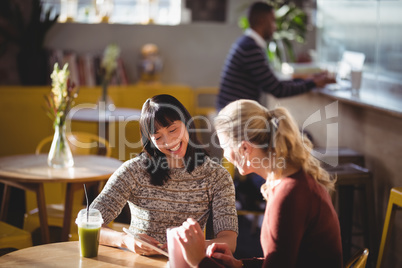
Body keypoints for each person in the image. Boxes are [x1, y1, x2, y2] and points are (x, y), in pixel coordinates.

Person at [176, 99, 343, 267]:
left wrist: (200, 261)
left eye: (225, 147)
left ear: (245, 149)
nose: (225, 155)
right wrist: (240, 264)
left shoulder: (289, 193)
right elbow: (283, 259)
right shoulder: (287, 179)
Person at [90, 94, 238, 256]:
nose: (169, 142)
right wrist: (126, 240)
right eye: (158, 137)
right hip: (137, 263)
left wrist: (190, 246)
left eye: (173, 130)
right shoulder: (133, 171)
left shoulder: (216, 176)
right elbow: (89, 222)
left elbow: (229, 242)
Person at [216, 1, 335, 111]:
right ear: (262, 21)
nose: (275, 27)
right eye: (273, 21)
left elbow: (272, 82)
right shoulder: (250, 48)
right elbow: (277, 89)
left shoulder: (247, 43)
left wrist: (308, 80)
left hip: (233, 111)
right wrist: (313, 83)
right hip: (234, 116)